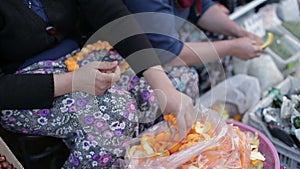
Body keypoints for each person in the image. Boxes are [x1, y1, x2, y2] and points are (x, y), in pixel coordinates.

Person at [0, 0, 196, 168]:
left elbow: (113, 15)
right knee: (114, 114)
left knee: (180, 81)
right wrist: (73, 81)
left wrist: (164, 86)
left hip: (82, 56)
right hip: (25, 85)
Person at [123, 0, 264, 67]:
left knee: (222, 40)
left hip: (167, 39)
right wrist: (232, 47)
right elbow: (169, 54)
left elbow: (201, 8)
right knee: (185, 78)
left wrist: (239, 32)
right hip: (133, 57)